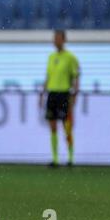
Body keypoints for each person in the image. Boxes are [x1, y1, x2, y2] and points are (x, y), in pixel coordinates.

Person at [39, 30, 80, 167]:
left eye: (58, 38)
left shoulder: (70, 57)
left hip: (64, 94)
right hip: (52, 94)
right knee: (52, 126)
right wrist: (42, 93)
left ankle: (70, 157)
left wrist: (75, 94)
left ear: (64, 40)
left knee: (66, 126)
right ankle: (55, 159)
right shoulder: (51, 57)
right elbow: (48, 77)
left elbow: (75, 77)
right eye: (54, 38)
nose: (55, 41)